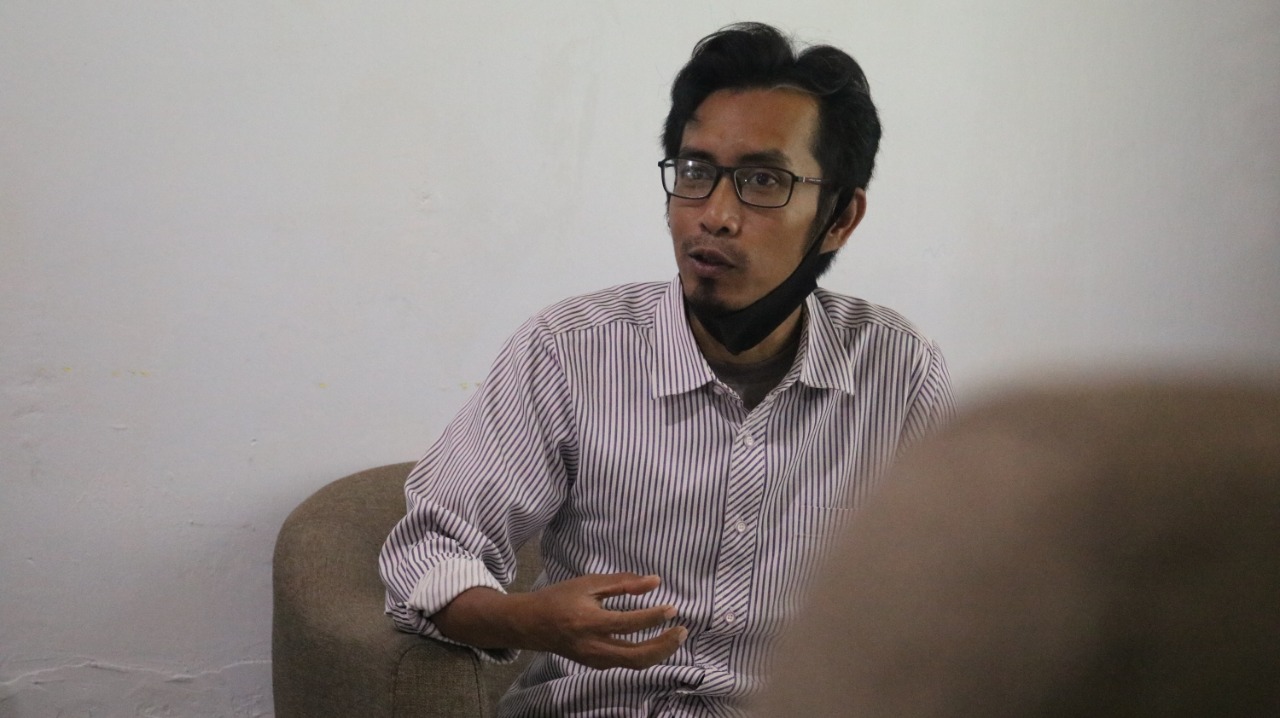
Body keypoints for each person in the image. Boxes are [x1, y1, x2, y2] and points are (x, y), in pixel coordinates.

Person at [379, 22, 954, 717]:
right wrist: (529, 619)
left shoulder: (898, 371)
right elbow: (430, 550)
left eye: (763, 181)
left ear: (839, 218)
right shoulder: (570, 352)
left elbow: (957, 595)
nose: (714, 216)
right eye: (695, 172)